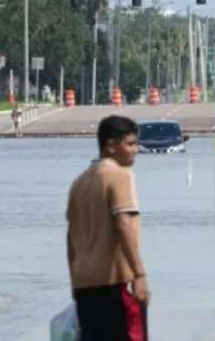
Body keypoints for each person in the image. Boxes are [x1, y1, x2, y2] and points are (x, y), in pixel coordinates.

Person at [67, 115, 149, 341]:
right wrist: (139, 274)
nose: (136, 150)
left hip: (84, 287)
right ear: (111, 146)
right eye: (130, 144)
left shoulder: (79, 183)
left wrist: (74, 281)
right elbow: (124, 224)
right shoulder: (120, 176)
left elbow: (70, 239)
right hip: (116, 283)